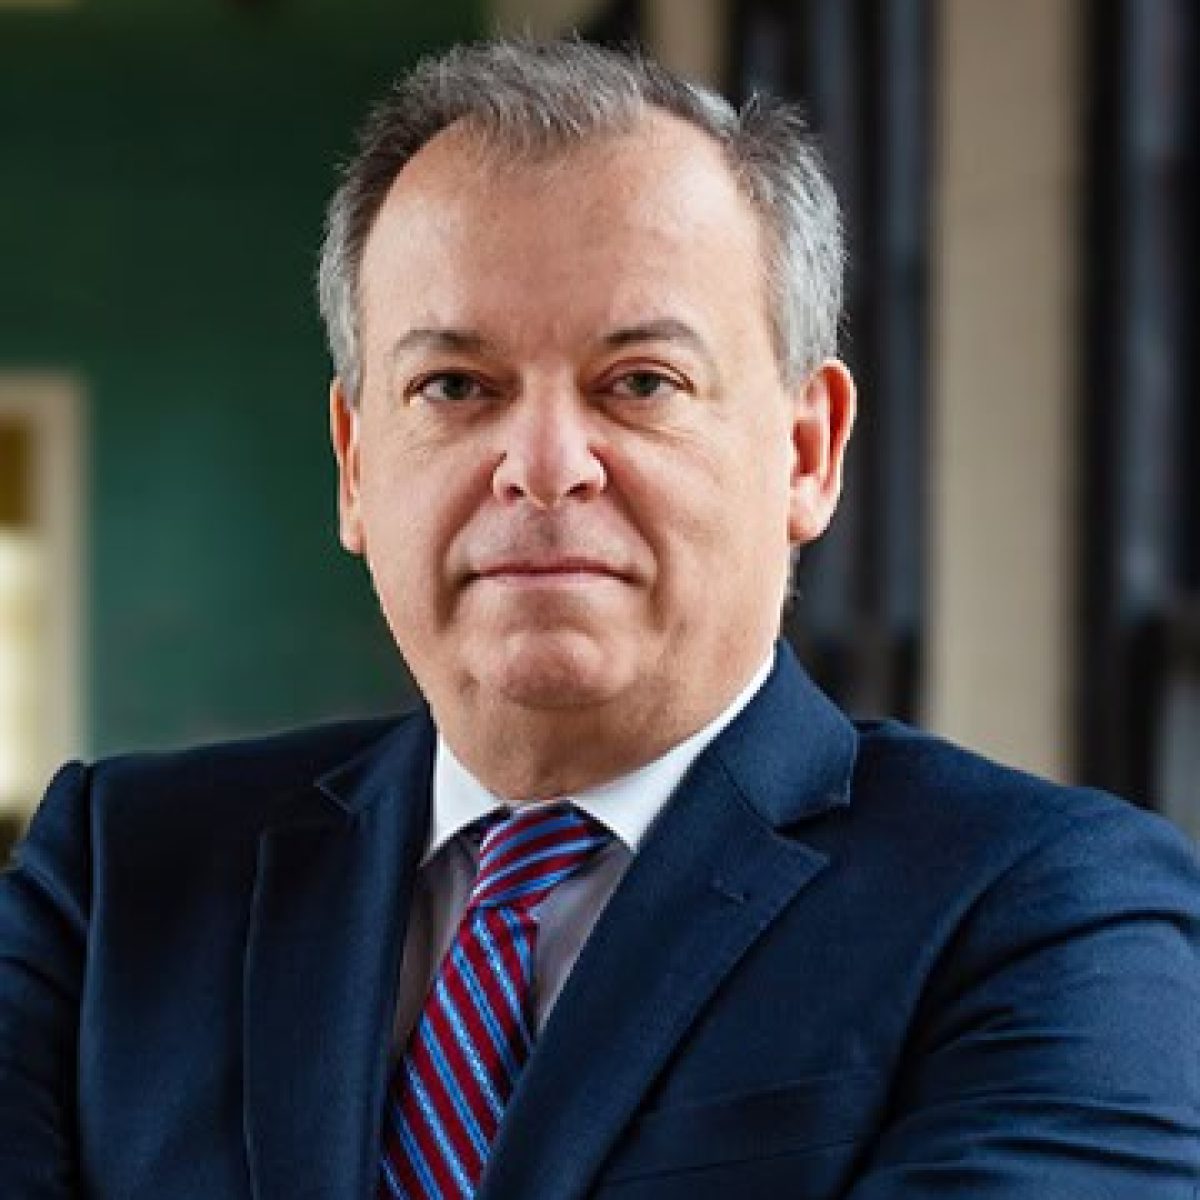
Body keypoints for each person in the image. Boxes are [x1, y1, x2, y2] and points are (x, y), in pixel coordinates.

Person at [1, 37, 1198, 1200]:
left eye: (641, 383)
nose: (543, 464)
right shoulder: (111, 883)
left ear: (807, 451)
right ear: (356, 465)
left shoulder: (1054, 919)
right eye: (455, 387)